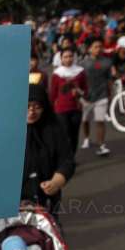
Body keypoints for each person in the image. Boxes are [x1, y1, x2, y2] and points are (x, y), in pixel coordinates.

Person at [24, 84, 75, 214]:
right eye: (27, 106)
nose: (31, 112)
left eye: (37, 107)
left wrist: (56, 182)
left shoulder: (54, 128)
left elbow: (67, 160)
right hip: (14, 204)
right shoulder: (5, 130)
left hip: (46, 201)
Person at [50, 46, 88, 154]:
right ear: (61, 59)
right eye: (65, 57)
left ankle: (72, 157)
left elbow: (85, 90)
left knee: (74, 134)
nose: (68, 59)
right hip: (61, 109)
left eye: (70, 56)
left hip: (76, 108)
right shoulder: (57, 73)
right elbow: (53, 93)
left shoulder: (80, 72)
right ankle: (65, 158)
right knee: (64, 134)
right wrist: (51, 109)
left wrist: (79, 92)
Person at [80, 37, 112, 156]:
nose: (98, 49)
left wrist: (110, 94)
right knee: (85, 120)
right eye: (95, 47)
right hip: (86, 97)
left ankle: (101, 145)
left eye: (100, 46)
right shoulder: (82, 64)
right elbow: (79, 80)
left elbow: (109, 79)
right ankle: (87, 138)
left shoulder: (107, 62)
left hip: (101, 95)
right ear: (89, 49)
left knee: (100, 121)